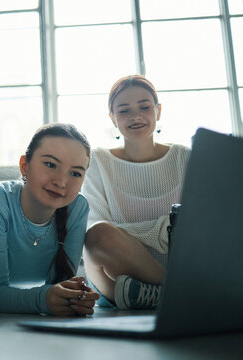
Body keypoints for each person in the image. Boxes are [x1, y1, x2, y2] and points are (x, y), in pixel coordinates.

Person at [81, 75, 191, 310]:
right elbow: (95, 229)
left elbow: (199, 226)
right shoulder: (98, 160)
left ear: (158, 111)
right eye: (124, 110)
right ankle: (178, 294)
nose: (136, 116)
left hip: (180, 270)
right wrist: (166, 229)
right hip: (115, 279)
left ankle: (161, 294)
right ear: (112, 118)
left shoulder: (184, 157)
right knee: (99, 235)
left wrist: (159, 230)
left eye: (144, 107)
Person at [0, 123, 100, 316]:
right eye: (50, 164)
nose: (61, 182)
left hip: (27, 317)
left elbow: (59, 286)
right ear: (24, 165)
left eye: (75, 173)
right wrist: (46, 299)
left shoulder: (77, 208)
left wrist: (73, 298)